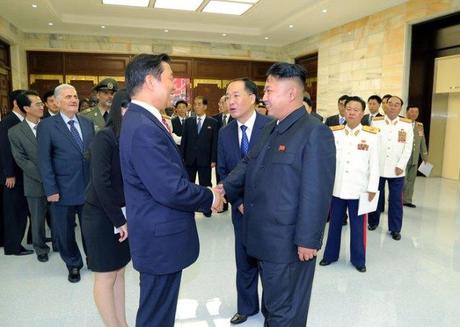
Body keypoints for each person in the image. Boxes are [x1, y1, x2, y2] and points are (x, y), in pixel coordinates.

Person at [220, 62, 336, 327]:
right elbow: (249, 163)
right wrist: (222, 189)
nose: (264, 97)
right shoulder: (271, 127)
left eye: (270, 91)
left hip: (289, 243)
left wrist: (309, 240)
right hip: (264, 238)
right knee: (274, 306)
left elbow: (317, 192)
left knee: (286, 311)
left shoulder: (314, 132)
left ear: (291, 94)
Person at [119, 53, 224, 327]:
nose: (173, 86)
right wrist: (210, 196)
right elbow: (170, 189)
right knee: (156, 315)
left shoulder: (142, 119)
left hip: (157, 235)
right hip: (159, 239)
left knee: (159, 310)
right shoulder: (143, 126)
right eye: (169, 78)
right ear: (151, 81)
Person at [217, 78, 271, 324]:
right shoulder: (225, 132)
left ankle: (271, 308)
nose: (231, 101)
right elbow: (225, 171)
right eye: (228, 96)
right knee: (244, 258)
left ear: (253, 98)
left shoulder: (271, 127)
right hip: (240, 209)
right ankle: (246, 306)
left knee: (268, 261)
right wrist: (237, 200)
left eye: (237, 95)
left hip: (268, 210)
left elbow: (276, 172)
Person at [82, 89, 131, 327]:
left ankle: (122, 323)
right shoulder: (106, 136)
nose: (130, 112)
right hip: (102, 215)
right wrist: (119, 221)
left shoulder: (130, 137)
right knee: (106, 275)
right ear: (116, 109)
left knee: (120, 271)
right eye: (125, 106)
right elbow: (101, 183)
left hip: (122, 214)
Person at [37, 84, 95, 282]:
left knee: (90, 228)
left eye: (76, 96)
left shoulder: (87, 123)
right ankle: (73, 264)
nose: (74, 100)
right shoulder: (47, 126)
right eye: (69, 97)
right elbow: (44, 160)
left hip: (88, 188)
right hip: (62, 190)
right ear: (58, 102)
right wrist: (50, 189)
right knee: (64, 231)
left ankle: (93, 259)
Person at [319, 96, 380, 273]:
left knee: (358, 227)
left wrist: (372, 188)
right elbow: (326, 163)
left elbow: (374, 164)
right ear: (344, 111)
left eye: (356, 109)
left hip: (359, 190)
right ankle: (330, 255)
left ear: (363, 113)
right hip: (337, 188)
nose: (352, 112)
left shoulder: (371, 136)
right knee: (334, 224)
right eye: (349, 109)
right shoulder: (334, 132)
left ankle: (359, 260)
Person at [8, 90, 50, 262]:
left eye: (42, 103)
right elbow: (21, 160)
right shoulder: (15, 132)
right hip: (34, 182)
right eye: (38, 104)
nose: (42, 106)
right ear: (26, 108)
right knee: (37, 219)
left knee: (59, 218)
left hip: (58, 180)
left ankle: (63, 245)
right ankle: (40, 248)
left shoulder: (50, 125)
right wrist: (45, 177)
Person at [368, 96, 413, 240]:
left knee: (395, 201)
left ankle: (395, 228)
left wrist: (401, 165)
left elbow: (408, 148)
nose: (393, 107)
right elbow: (372, 145)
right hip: (378, 168)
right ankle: (373, 222)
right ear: (385, 106)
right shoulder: (376, 122)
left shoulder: (406, 125)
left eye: (397, 105)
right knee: (375, 196)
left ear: (400, 108)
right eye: (390, 104)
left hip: (397, 170)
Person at [0, 89, 32, 256]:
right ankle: (13, 246)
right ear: (16, 103)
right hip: (13, 176)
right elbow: (5, 150)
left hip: (21, 174)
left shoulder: (21, 120)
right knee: (14, 211)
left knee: (18, 209)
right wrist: (9, 174)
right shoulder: (9, 122)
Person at [180, 96, 218, 217]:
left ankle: (207, 208)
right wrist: (182, 157)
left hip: (205, 160)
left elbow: (214, 142)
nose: (197, 106)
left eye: (200, 104)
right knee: (189, 185)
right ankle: (189, 208)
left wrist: (213, 159)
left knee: (205, 184)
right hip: (189, 159)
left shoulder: (213, 122)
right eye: (195, 104)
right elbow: (184, 141)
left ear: (205, 106)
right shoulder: (188, 122)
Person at [403, 106, 428, 208]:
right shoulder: (402, 124)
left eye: (416, 112)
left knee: (411, 180)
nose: (413, 114)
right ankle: (396, 200)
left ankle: (407, 200)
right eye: (411, 111)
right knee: (401, 181)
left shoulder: (419, 126)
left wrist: (425, 157)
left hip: (414, 158)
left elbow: (422, 142)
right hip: (403, 159)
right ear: (407, 112)